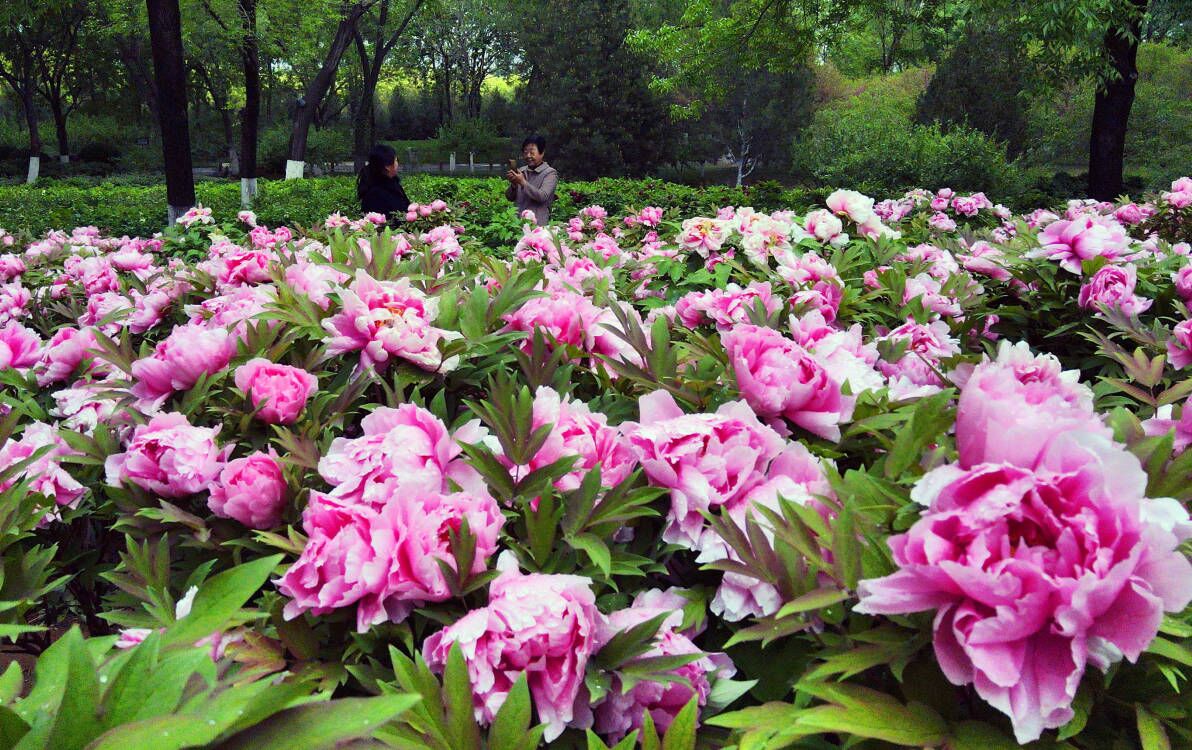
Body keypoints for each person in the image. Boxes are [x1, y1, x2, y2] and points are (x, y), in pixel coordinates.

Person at [505, 135, 558, 225]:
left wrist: (522, 182)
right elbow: (509, 197)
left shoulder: (550, 173)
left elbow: (542, 196)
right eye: (525, 152)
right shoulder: (521, 171)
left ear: (542, 153)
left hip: (538, 227)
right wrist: (513, 185)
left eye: (532, 152)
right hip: (518, 224)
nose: (528, 156)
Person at [357, 144, 411, 220]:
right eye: (396, 160)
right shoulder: (375, 193)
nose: (397, 163)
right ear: (387, 166)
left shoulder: (393, 184)